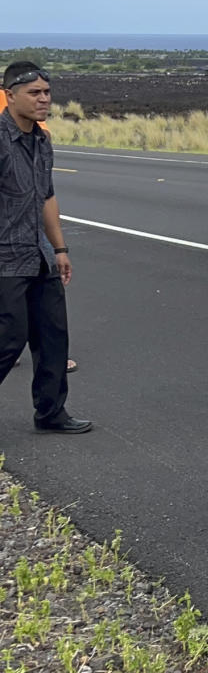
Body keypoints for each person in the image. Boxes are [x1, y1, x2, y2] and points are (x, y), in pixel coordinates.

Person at [0, 62, 91, 434]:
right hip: (5, 258)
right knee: (9, 338)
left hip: (38, 253)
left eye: (47, 92)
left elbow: (46, 196)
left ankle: (51, 412)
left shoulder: (42, 139)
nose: (43, 99)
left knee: (53, 336)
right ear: (9, 95)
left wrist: (59, 248)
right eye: (34, 92)